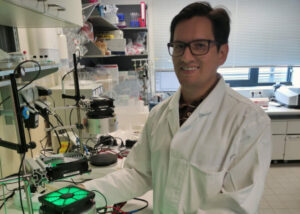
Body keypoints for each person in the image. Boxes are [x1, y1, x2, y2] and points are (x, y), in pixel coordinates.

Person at [81, 2, 272, 213]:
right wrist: (85, 193)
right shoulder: (159, 115)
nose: (186, 57)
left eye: (200, 45)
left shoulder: (249, 121)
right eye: (179, 46)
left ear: (222, 53)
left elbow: (235, 207)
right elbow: (139, 174)